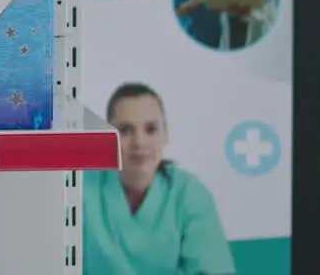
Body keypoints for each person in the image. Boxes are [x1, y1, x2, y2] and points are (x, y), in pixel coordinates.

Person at [83, 83, 234, 275]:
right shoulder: (79, 189)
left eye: (151, 129)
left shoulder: (189, 195)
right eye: (125, 130)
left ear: (165, 134)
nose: (139, 142)